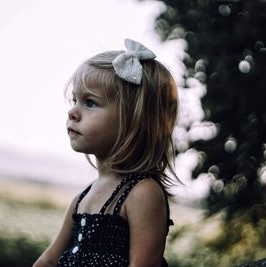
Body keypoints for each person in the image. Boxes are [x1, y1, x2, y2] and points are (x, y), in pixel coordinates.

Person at [33, 39, 179, 267]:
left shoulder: (142, 193)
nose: (72, 111)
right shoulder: (82, 199)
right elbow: (50, 260)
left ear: (132, 121)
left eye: (90, 103)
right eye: (75, 100)